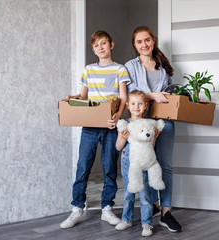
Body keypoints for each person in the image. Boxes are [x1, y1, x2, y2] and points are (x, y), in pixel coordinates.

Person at [60, 30, 131, 229]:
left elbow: (123, 97)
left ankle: (107, 209)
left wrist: (118, 115)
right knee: (83, 166)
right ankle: (77, 209)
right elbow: (83, 96)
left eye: (103, 43)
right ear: (93, 49)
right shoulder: (89, 70)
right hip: (90, 126)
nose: (100, 47)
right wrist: (70, 99)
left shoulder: (120, 69)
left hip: (110, 125)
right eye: (96, 45)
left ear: (111, 45)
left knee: (109, 167)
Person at [124, 26, 182, 233]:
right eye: (139, 42)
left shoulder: (163, 67)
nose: (144, 45)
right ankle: (151, 209)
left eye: (147, 40)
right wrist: (151, 96)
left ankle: (166, 211)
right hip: (142, 124)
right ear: (135, 45)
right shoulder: (130, 66)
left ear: (153, 40)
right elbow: (131, 95)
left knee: (165, 165)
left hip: (164, 121)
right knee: (145, 165)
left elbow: (171, 93)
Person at [115, 90, 159, 237]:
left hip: (144, 163)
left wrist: (154, 138)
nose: (136, 107)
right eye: (133, 103)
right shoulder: (124, 124)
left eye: (140, 103)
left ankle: (146, 223)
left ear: (145, 106)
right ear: (127, 105)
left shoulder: (149, 124)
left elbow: (150, 147)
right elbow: (118, 147)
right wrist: (122, 137)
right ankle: (127, 219)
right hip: (128, 163)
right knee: (128, 193)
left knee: (145, 194)